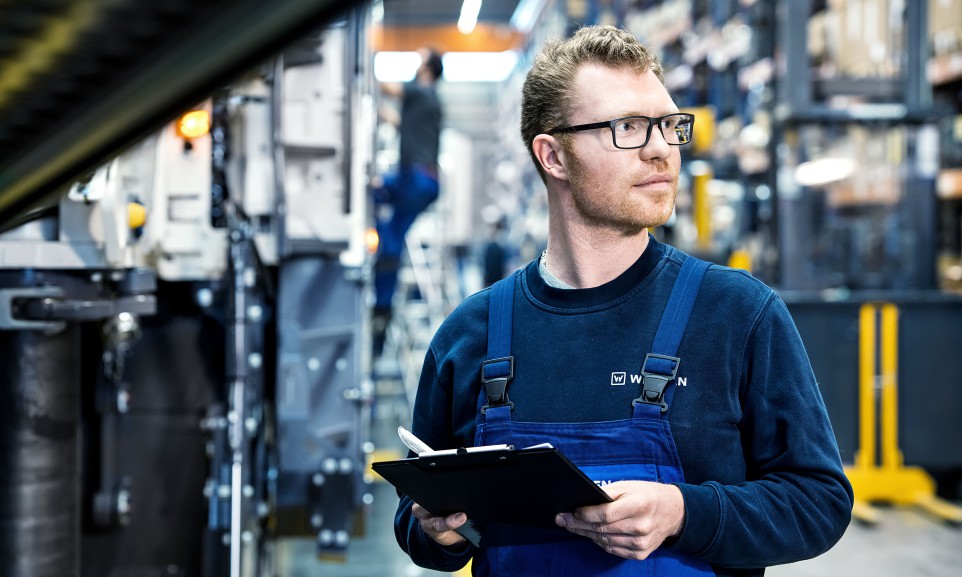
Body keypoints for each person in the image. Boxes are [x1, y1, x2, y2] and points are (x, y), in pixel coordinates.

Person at [393, 25, 852, 577]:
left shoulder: (736, 314)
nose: (661, 149)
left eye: (668, 125)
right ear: (554, 156)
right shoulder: (470, 335)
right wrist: (438, 533)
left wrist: (684, 511)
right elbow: (419, 521)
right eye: (628, 127)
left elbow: (819, 502)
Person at [371, 47, 444, 358]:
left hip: (415, 179)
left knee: (371, 190)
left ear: (427, 69)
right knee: (393, 238)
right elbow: (400, 122)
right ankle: (382, 307)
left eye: (419, 60)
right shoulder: (428, 103)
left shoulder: (422, 91)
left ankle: (382, 302)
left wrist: (360, 64)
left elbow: (386, 86)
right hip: (424, 182)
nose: (415, 66)